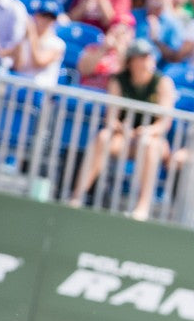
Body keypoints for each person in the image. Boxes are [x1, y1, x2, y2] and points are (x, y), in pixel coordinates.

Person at [69, 38, 176, 220]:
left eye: (148, 56)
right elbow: (111, 118)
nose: (146, 60)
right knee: (103, 137)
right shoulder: (118, 80)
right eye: (141, 57)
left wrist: (147, 131)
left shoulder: (163, 83)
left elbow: (164, 122)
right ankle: (77, 196)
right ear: (131, 61)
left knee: (149, 145)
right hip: (124, 137)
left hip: (152, 139)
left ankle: (143, 206)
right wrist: (122, 128)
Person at [2, 0, 66, 87]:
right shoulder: (25, 38)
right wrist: (23, 38)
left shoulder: (58, 44)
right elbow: (17, 66)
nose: (46, 21)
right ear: (36, 16)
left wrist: (32, 33)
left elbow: (38, 61)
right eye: (44, 16)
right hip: (19, 87)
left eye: (51, 18)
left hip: (41, 91)